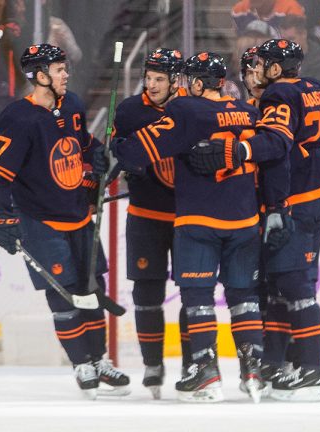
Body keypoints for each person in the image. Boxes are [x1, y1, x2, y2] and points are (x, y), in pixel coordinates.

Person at [187, 39, 320, 401]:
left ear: (275, 69)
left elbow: (275, 145)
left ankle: (310, 370)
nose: (254, 72)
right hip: (317, 194)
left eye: (260, 65)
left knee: (293, 285)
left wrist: (236, 152)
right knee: (282, 284)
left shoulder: (277, 97)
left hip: (295, 199)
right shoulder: (316, 88)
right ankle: (280, 363)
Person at [110, 52, 266, 403]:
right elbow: (272, 149)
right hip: (244, 220)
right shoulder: (248, 111)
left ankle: (206, 371)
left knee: (197, 297)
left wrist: (118, 149)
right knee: (244, 297)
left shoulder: (186, 110)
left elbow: (142, 149)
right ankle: (253, 370)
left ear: (195, 82)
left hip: (200, 218)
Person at [0, 44, 130, 400]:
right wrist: (3, 217)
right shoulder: (20, 118)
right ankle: (81, 364)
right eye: (59, 70)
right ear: (40, 76)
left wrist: (102, 157)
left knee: (92, 291)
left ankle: (100, 360)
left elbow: (83, 143)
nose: (66, 75)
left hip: (79, 215)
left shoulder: (72, 106)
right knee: (64, 296)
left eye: (65, 69)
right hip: (41, 222)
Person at [110, 48, 189, 399]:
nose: (152, 84)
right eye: (149, 77)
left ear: (176, 80)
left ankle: (194, 365)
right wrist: (121, 157)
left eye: (160, 79)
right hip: (145, 215)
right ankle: (152, 364)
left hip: (189, 216)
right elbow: (118, 144)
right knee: (146, 294)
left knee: (194, 294)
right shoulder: (130, 110)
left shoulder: (192, 106)